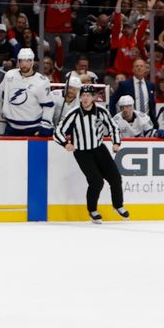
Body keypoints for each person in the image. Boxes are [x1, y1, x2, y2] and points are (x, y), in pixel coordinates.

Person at [54, 85, 128, 224]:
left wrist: (116, 142)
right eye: (83, 95)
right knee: (96, 181)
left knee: (115, 178)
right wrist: (65, 143)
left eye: (89, 95)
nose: (85, 98)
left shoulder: (101, 111)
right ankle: (93, 210)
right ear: (80, 97)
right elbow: (58, 132)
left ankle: (118, 205)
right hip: (82, 152)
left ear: (94, 97)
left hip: (99, 149)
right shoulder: (74, 113)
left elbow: (113, 126)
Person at [0, 48, 54, 136]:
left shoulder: (42, 81)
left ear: (32, 62)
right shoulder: (10, 75)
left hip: (32, 128)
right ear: (18, 62)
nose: (24, 64)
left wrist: (46, 122)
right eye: (21, 61)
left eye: (28, 61)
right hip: (11, 127)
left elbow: (48, 105)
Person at [109, 58, 157, 128]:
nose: (139, 68)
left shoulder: (150, 85)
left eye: (141, 66)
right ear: (133, 69)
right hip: (129, 124)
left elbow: (152, 105)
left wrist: (154, 122)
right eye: (137, 66)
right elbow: (112, 101)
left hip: (147, 123)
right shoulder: (124, 85)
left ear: (146, 69)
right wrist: (114, 119)